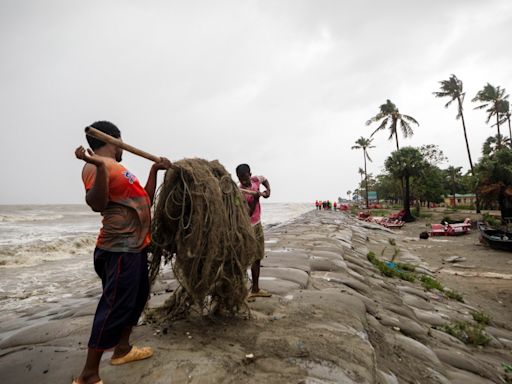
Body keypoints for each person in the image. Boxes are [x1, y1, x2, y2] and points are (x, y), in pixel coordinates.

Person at [73, 121, 171, 384]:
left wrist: (154, 170)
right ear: (113, 140)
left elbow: (145, 200)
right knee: (115, 305)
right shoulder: (93, 166)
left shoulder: (121, 169)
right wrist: (100, 167)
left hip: (135, 248)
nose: (123, 147)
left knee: (136, 298)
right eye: (121, 142)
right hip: (118, 250)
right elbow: (96, 203)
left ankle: (123, 349)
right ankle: (88, 375)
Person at [236, 163, 271, 299]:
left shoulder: (256, 180)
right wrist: (255, 200)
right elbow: (247, 214)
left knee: (257, 257)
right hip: (245, 227)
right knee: (243, 260)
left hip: (257, 225)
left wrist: (268, 191)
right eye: (240, 179)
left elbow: (265, 180)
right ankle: (240, 292)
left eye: (245, 178)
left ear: (250, 175)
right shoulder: (239, 194)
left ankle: (255, 289)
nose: (243, 181)